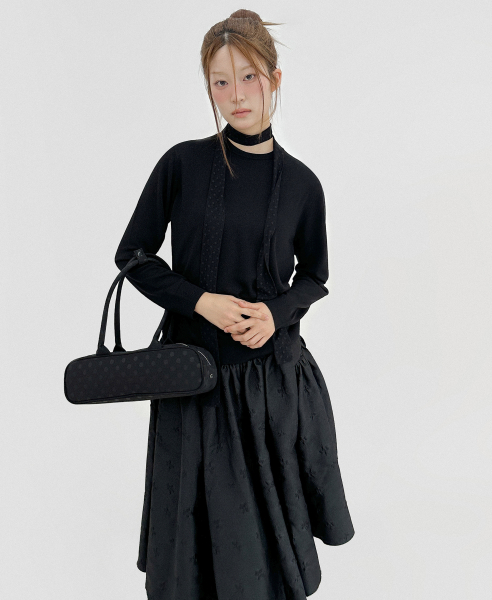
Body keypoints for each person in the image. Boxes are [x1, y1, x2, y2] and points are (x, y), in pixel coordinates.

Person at [114, 9, 355, 600]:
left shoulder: (303, 184)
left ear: (275, 78)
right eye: (220, 82)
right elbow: (133, 255)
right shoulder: (182, 164)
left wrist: (275, 313)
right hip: (192, 384)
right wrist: (200, 302)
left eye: (249, 77)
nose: (237, 95)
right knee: (190, 562)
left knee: (264, 564)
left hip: (270, 386)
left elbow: (315, 276)